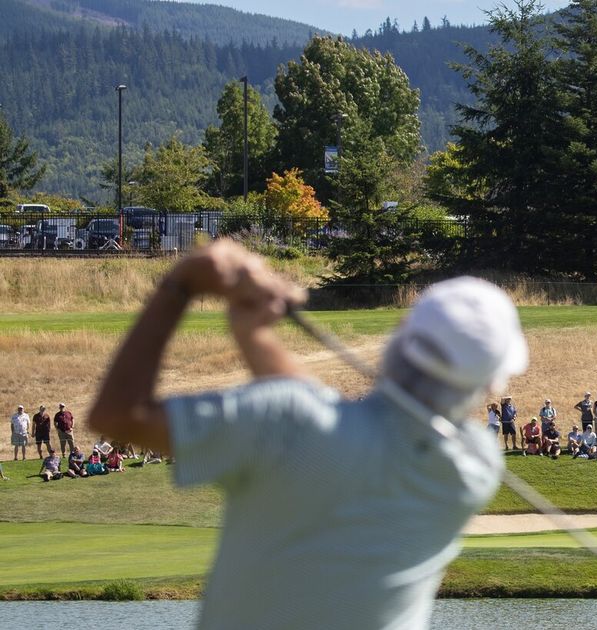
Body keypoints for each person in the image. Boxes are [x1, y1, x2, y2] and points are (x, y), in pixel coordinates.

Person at [86, 242, 526, 629]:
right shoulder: (476, 466)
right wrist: (255, 334)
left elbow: (120, 416)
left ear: (398, 337)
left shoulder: (286, 423)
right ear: (490, 386)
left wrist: (181, 283)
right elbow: (316, 416)